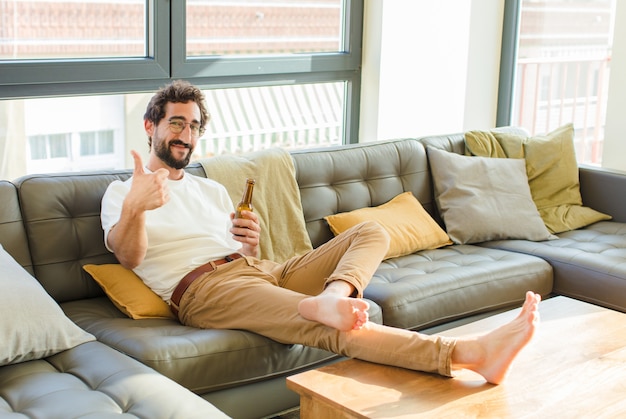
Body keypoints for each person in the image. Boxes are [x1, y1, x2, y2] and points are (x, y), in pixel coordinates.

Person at [101, 80, 541, 384]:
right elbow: (129, 256)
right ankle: (467, 354)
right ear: (151, 127)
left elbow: (236, 247)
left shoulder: (211, 189)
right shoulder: (122, 192)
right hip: (205, 290)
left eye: (194, 126)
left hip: (259, 270)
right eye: (176, 122)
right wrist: (138, 206)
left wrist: (248, 242)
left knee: (369, 231)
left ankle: (331, 298)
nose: (186, 134)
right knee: (331, 330)